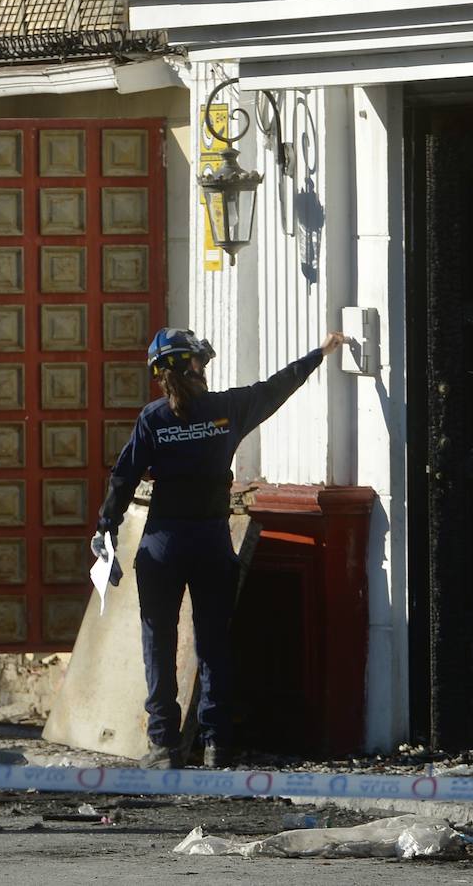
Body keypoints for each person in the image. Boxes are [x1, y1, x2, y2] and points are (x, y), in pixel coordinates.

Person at [93, 327, 345, 770]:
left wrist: (105, 528)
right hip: (211, 539)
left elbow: (123, 476)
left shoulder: (152, 419)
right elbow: (276, 388)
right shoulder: (227, 410)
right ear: (191, 365)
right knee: (213, 644)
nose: (205, 368)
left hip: (163, 542)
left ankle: (165, 746)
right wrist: (318, 354)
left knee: (158, 642)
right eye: (201, 362)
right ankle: (216, 744)